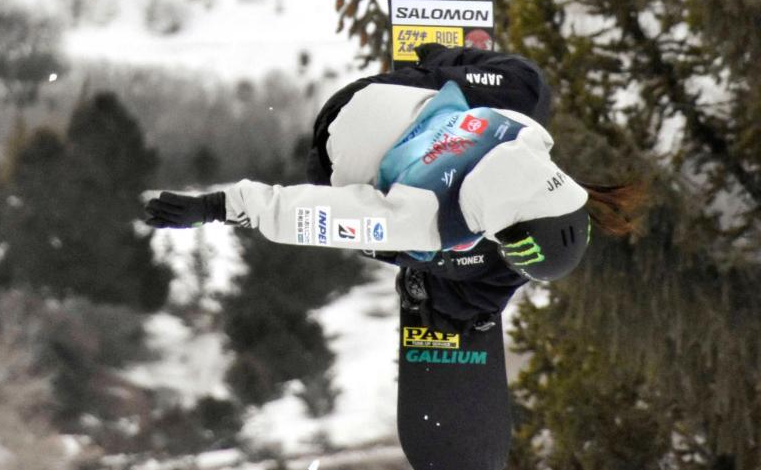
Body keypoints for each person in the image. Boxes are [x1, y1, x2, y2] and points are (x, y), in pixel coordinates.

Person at [144, 44, 644, 334]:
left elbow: (520, 106)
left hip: (379, 92)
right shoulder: (421, 222)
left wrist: (444, 66)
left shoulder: (527, 133)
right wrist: (215, 207)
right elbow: (301, 212)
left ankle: (436, 61)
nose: (505, 246)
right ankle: (434, 296)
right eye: (514, 242)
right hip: (332, 154)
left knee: (530, 85)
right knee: (487, 278)